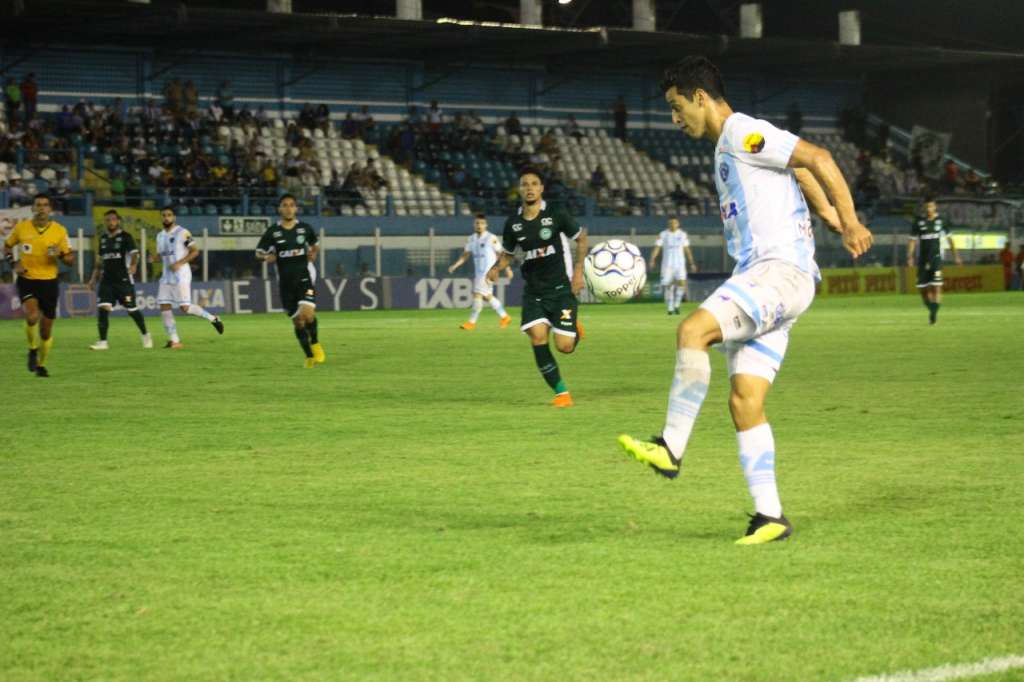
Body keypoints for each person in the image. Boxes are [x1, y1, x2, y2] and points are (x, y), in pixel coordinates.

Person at [617, 56, 873, 544]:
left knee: (693, 330)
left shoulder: (740, 132)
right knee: (744, 401)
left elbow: (818, 158)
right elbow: (799, 174)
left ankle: (670, 447)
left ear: (699, 97)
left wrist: (851, 218)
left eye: (676, 107)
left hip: (777, 274)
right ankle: (770, 517)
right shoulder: (724, 150)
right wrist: (830, 218)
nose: (675, 120)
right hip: (773, 281)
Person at [486, 166, 588, 408]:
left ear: (541, 188)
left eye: (534, 183)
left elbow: (581, 238)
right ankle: (561, 392)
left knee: (564, 346)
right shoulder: (513, 224)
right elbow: (508, 254)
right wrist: (495, 268)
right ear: (520, 190)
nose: (529, 188)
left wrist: (578, 271)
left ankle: (573, 329)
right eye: (524, 184)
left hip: (561, 289)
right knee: (538, 337)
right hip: (534, 292)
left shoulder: (556, 214)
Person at [3, 194, 76, 377]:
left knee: (45, 331)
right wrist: (13, 263)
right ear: (33, 208)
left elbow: (70, 260)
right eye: (38, 205)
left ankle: (41, 365)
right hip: (27, 280)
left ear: (50, 209)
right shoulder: (22, 228)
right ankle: (32, 349)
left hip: (49, 282)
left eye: (45, 205)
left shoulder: (59, 231)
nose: (41, 208)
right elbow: (6, 246)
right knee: (32, 316)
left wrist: (60, 254)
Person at [255, 194, 326, 368]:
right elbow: (258, 253)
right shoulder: (273, 232)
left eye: (291, 205)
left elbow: (315, 244)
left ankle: (315, 343)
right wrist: (266, 258)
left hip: (304, 276)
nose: (288, 208)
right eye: (285, 205)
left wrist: (314, 253)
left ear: (296, 208)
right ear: (279, 209)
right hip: (286, 283)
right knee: (298, 321)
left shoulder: (304, 228)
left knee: (308, 314)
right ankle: (309, 356)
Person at [153, 206, 224, 348]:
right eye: (164, 215)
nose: (166, 217)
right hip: (166, 277)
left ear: (174, 217)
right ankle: (175, 341)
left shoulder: (182, 232)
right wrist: (153, 259)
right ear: (161, 217)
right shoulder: (160, 236)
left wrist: (179, 263)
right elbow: (161, 255)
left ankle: (213, 318)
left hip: (181, 275)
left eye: (169, 215)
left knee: (185, 308)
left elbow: (195, 251)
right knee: (164, 306)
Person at [87, 210, 151, 350]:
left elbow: (135, 254)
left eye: (113, 219)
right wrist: (93, 279)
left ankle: (145, 335)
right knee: (103, 308)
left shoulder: (126, 237)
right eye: (107, 220)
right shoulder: (103, 239)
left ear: (118, 221)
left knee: (131, 310)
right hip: (107, 281)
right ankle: (103, 342)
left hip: (123, 280)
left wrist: (133, 265)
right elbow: (99, 262)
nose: (110, 222)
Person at [447, 213, 513, 330]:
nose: (479, 225)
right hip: (479, 273)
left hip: (488, 272)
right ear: (474, 225)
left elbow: (501, 254)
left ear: (486, 225)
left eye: (482, 223)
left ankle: (471, 322)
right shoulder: (471, 239)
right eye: (477, 223)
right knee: (487, 296)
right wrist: (455, 265)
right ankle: (505, 316)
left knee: (477, 295)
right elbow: (465, 255)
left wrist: (507, 268)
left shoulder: (491, 238)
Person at [907, 195, 961, 325]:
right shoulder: (919, 222)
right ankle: (932, 310)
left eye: (931, 206)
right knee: (923, 291)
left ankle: (933, 314)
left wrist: (956, 256)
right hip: (923, 260)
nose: (928, 209)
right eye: (926, 207)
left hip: (936, 259)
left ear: (935, 207)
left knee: (937, 287)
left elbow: (950, 239)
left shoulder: (941, 221)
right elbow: (912, 241)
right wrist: (909, 256)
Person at [649, 216, 698, 314]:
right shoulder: (663, 234)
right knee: (668, 285)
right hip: (667, 264)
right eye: (671, 223)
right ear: (668, 224)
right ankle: (670, 307)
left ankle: (677, 305)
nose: (673, 224)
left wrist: (692, 263)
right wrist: (652, 259)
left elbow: (687, 249)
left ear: (678, 224)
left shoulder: (683, 234)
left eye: (675, 223)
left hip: (680, 264)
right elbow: (657, 248)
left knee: (682, 283)